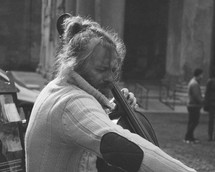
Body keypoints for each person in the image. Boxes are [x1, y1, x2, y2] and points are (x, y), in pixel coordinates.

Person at [25, 13, 197, 172]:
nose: (110, 79)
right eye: (101, 69)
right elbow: (126, 148)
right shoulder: (72, 102)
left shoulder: (57, 88)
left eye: (113, 70)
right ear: (74, 64)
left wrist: (111, 112)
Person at [184, 68, 204, 143]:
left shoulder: (193, 82)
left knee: (192, 121)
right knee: (194, 122)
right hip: (193, 105)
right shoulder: (194, 83)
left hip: (192, 105)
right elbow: (196, 96)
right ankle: (188, 137)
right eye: (201, 74)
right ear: (199, 74)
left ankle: (190, 137)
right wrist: (202, 101)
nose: (202, 76)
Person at [204, 74, 215, 141]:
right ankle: (210, 135)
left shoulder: (210, 81)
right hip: (212, 103)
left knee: (211, 121)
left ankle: (210, 135)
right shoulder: (210, 81)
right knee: (211, 120)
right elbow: (207, 93)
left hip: (211, 103)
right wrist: (206, 103)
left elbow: (207, 93)